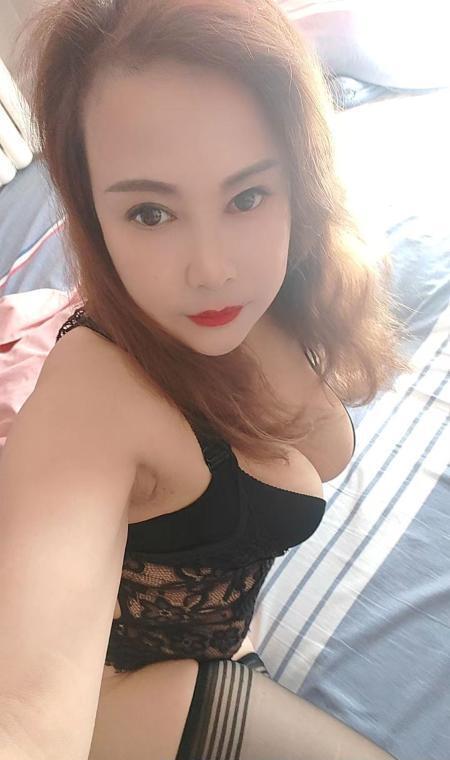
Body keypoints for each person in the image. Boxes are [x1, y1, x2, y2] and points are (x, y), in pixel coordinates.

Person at [0, 1, 408, 758]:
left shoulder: (311, 283)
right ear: (91, 213)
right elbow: (22, 713)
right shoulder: (95, 392)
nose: (212, 269)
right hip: (122, 697)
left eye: (247, 196)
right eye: (151, 213)